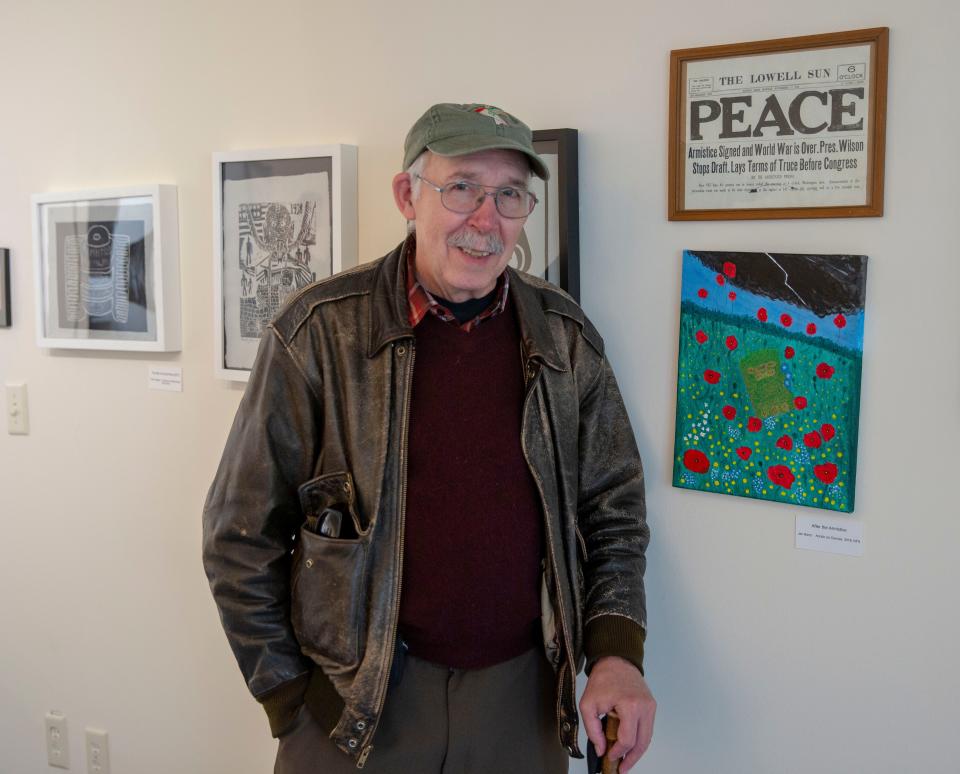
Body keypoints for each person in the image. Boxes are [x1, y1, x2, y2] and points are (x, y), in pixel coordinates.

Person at [203, 102, 655, 773]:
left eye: (509, 195)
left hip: (520, 703)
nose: (485, 218)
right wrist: (294, 698)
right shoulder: (316, 335)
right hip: (354, 710)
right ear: (407, 195)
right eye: (462, 187)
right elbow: (239, 537)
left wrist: (616, 655)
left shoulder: (565, 339)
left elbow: (613, 511)